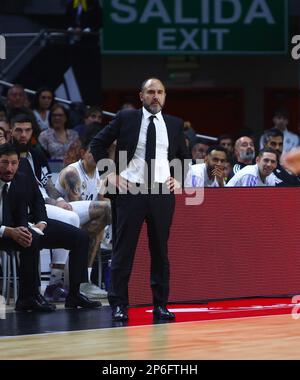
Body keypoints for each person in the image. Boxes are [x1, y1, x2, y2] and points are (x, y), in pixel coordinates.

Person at [90, 77, 190, 321]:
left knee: (160, 251)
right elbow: (97, 143)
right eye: (151, 92)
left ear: (165, 96)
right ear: (141, 96)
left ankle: (160, 304)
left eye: (160, 92)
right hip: (130, 191)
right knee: (124, 251)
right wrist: (110, 174)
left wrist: (178, 179)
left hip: (161, 193)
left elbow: (183, 157)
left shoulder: (175, 124)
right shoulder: (127, 118)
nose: (156, 96)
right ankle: (119, 304)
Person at [0, 143, 101, 311]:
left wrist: (42, 222)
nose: (9, 168)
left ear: (19, 162)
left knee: (80, 237)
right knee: (30, 239)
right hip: (4, 233)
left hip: (25, 226)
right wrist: (9, 231)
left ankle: (75, 294)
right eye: (4, 163)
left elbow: (38, 199)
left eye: (13, 163)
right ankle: (27, 297)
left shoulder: (23, 170)